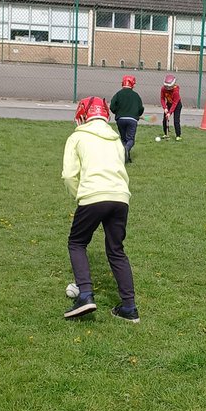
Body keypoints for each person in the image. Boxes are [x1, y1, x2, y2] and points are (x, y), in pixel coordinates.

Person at [62, 97, 139, 322]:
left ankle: (85, 294)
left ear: (83, 115)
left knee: (77, 243)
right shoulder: (115, 138)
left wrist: (80, 194)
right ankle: (129, 308)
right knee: (116, 250)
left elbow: (68, 175)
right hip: (120, 197)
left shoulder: (77, 136)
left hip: (93, 195)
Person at [109, 74, 145, 163]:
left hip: (120, 119)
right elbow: (141, 108)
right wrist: (137, 114)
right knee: (130, 139)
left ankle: (125, 156)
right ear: (132, 84)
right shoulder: (136, 95)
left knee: (123, 138)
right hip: (132, 120)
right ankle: (126, 149)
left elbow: (112, 106)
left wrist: (117, 113)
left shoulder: (118, 94)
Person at [160, 73, 182, 139]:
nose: (168, 88)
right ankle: (165, 133)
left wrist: (170, 113)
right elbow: (162, 98)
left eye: (169, 87)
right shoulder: (163, 89)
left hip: (177, 105)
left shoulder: (176, 91)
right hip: (169, 104)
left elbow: (175, 103)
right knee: (165, 119)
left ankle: (178, 135)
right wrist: (165, 108)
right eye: (166, 87)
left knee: (176, 120)